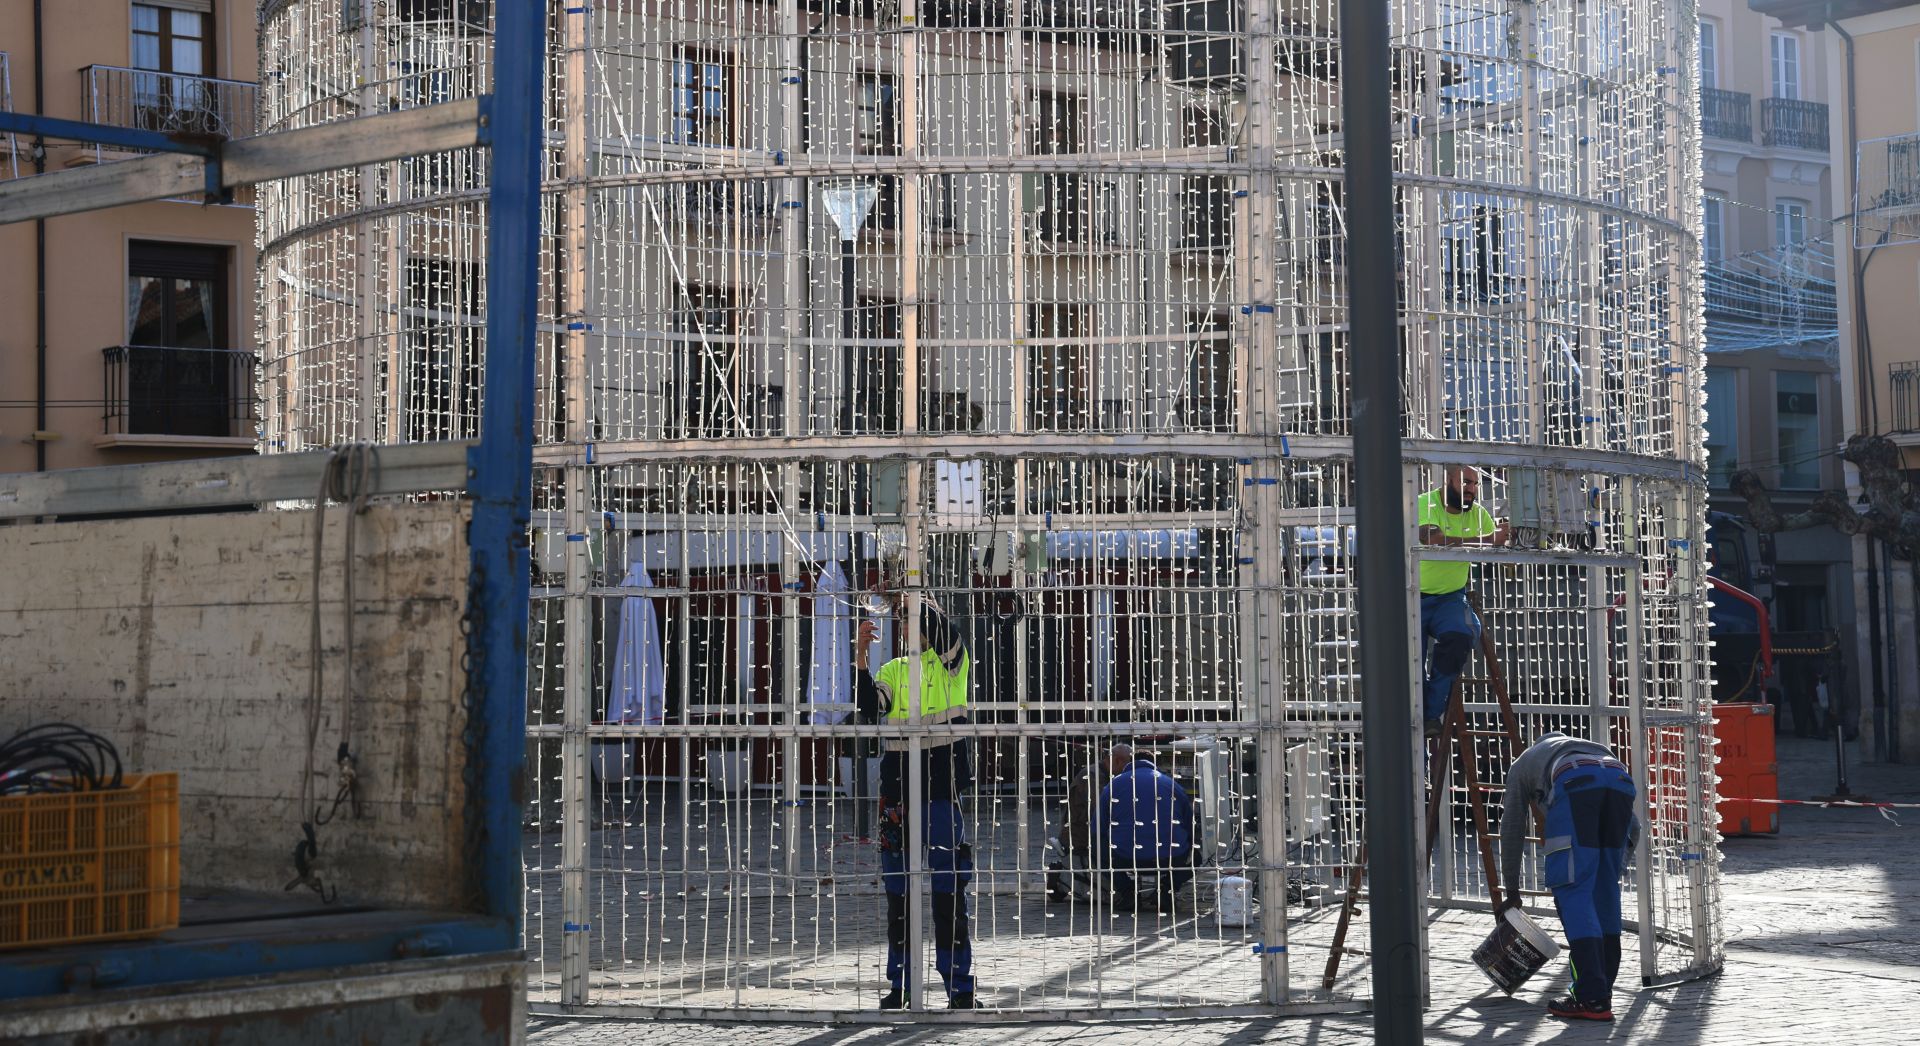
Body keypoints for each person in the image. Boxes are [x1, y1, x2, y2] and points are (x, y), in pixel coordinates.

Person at [854, 595, 976, 1011]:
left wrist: (913, 594)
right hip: (898, 793)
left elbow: (947, 632)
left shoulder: (951, 663)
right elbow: (870, 709)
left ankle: (959, 986)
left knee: (949, 890)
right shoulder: (891, 669)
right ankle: (902, 985)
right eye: (902, 621)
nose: (904, 628)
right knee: (898, 891)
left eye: (911, 621)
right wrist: (861, 660)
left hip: (942, 789)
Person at [1498, 731, 1640, 1022]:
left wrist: (1511, 889)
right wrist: (1614, 865)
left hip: (1574, 785)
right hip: (1620, 779)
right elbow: (1634, 827)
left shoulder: (1524, 762)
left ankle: (1591, 997)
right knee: (1604, 890)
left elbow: (1511, 826)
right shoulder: (1593, 750)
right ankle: (1600, 995)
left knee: (1572, 887)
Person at [1417, 465, 1510, 737]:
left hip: (1449, 597)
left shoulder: (1479, 514)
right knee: (1410, 661)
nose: (1472, 490)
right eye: (1466, 483)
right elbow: (1432, 539)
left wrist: (1509, 538)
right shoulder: (1425, 503)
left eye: (1476, 485)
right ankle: (1417, 718)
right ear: (1447, 481)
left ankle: (1431, 712)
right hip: (1411, 596)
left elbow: (1496, 544)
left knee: (1464, 632)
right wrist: (1487, 540)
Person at [1095, 744, 1197, 912]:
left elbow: (1098, 826)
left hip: (1126, 856)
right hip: (1170, 856)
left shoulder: (1113, 786)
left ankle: (1128, 892)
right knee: (1198, 858)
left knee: (1097, 853)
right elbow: (1189, 823)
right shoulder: (1171, 785)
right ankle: (1167, 890)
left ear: (1130, 763)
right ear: (1154, 764)